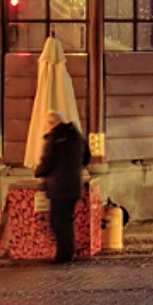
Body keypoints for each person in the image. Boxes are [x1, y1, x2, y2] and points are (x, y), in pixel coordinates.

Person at [33, 111, 89, 263]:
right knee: (67, 220)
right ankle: (67, 252)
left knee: (58, 222)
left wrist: (37, 171)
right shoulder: (77, 136)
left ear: (51, 124)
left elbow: (47, 162)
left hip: (59, 187)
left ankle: (63, 255)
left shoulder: (55, 139)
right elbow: (87, 157)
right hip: (74, 184)